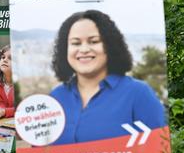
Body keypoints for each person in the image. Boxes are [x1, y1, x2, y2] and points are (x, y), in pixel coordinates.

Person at [49, 10, 166, 145]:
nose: (84, 49)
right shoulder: (55, 98)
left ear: (110, 45)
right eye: (76, 43)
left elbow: (159, 149)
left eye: (94, 41)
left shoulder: (138, 94)